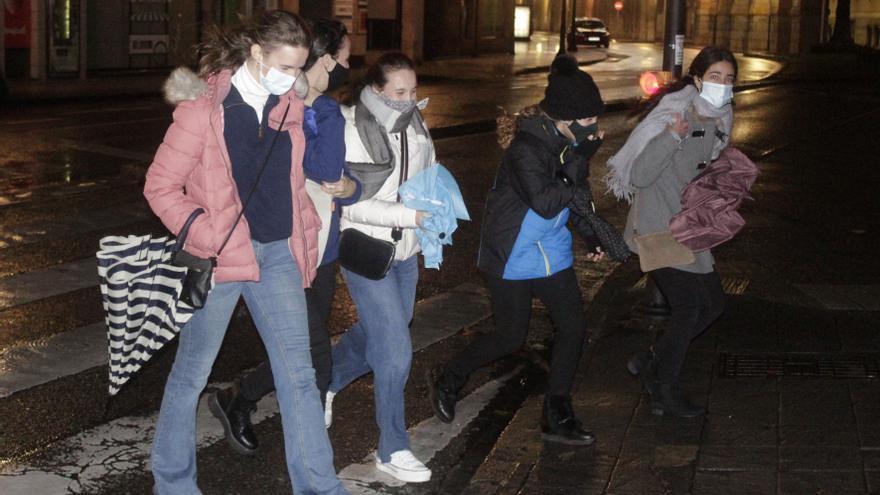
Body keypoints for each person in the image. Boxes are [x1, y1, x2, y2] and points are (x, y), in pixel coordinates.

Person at [143, 10, 348, 494]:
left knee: (299, 376)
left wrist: (305, 228)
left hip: (276, 253)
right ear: (256, 54)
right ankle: (173, 484)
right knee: (191, 374)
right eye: (285, 67)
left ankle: (320, 487)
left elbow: (293, 182)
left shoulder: (288, 108)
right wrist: (204, 232)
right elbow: (160, 186)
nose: (292, 79)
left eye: (299, 69)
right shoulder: (203, 108)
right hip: (219, 257)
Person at [427, 54, 609, 446]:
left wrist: (589, 233)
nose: (595, 127)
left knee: (573, 327)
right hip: (511, 254)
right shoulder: (526, 149)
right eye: (588, 120)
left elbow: (573, 198)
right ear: (563, 119)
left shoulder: (567, 143)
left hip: (552, 250)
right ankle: (450, 377)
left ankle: (556, 412)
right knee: (510, 337)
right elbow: (545, 200)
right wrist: (579, 161)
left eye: (596, 117)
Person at [207, 17, 360, 455]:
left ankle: (238, 397)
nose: (342, 72)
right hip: (283, 246)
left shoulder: (319, 107)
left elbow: (343, 178)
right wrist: (321, 113)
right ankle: (311, 461)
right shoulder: (283, 106)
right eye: (341, 62)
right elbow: (323, 168)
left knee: (303, 346)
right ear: (324, 60)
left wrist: (354, 187)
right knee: (314, 353)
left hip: (322, 244)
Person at [606, 46, 736, 418]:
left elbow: (700, 172)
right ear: (697, 79)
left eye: (728, 79)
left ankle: (650, 362)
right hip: (658, 227)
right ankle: (663, 388)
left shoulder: (720, 117)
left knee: (712, 305)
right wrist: (672, 137)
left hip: (689, 225)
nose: (722, 86)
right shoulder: (676, 114)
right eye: (715, 77)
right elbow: (641, 176)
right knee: (689, 307)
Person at [327, 51, 434, 483]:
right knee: (394, 350)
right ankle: (392, 448)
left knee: (377, 332)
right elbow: (350, 204)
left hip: (406, 255)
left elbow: (428, 175)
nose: (409, 101)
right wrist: (410, 216)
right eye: (399, 92)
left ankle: (328, 379)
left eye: (413, 91)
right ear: (375, 90)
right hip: (367, 253)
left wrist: (436, 208)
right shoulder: (352, 127)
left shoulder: (416, 123)